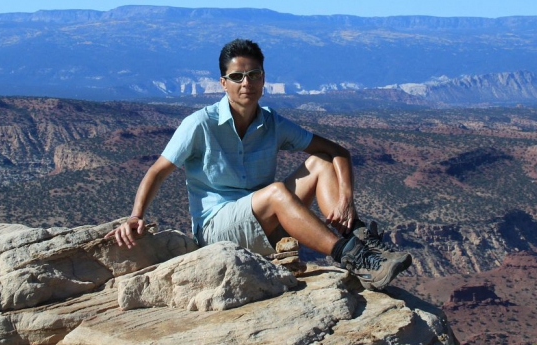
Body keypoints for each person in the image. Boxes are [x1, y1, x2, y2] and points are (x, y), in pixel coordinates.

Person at [105, 39, 411, 290]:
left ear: (263, 79)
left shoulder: (272, 123)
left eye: (253, 74)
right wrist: (136, 215)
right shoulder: (200, 124)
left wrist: (346, 200)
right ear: (223, 83)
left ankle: (357, 237)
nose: (246, 83)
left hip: (263, 218)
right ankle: (354, 259)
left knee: (320, 162)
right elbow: (157, 171)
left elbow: (336, 151)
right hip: (217, 229)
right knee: (276, 192)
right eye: (237, 77)